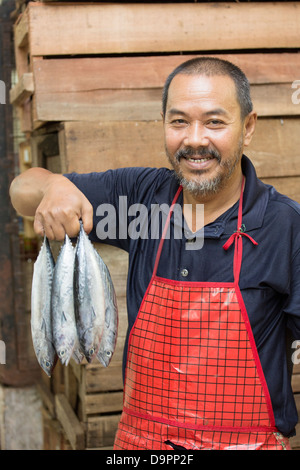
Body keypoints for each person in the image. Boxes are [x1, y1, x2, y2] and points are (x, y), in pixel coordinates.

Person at [9, 57, 300, 450]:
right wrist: (56, 186)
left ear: (247, 127)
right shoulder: (142, 201)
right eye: (179, 121)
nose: (195, 139)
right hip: (142, 445)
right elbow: (21, 190)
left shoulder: (285, 226)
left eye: (214, 122)